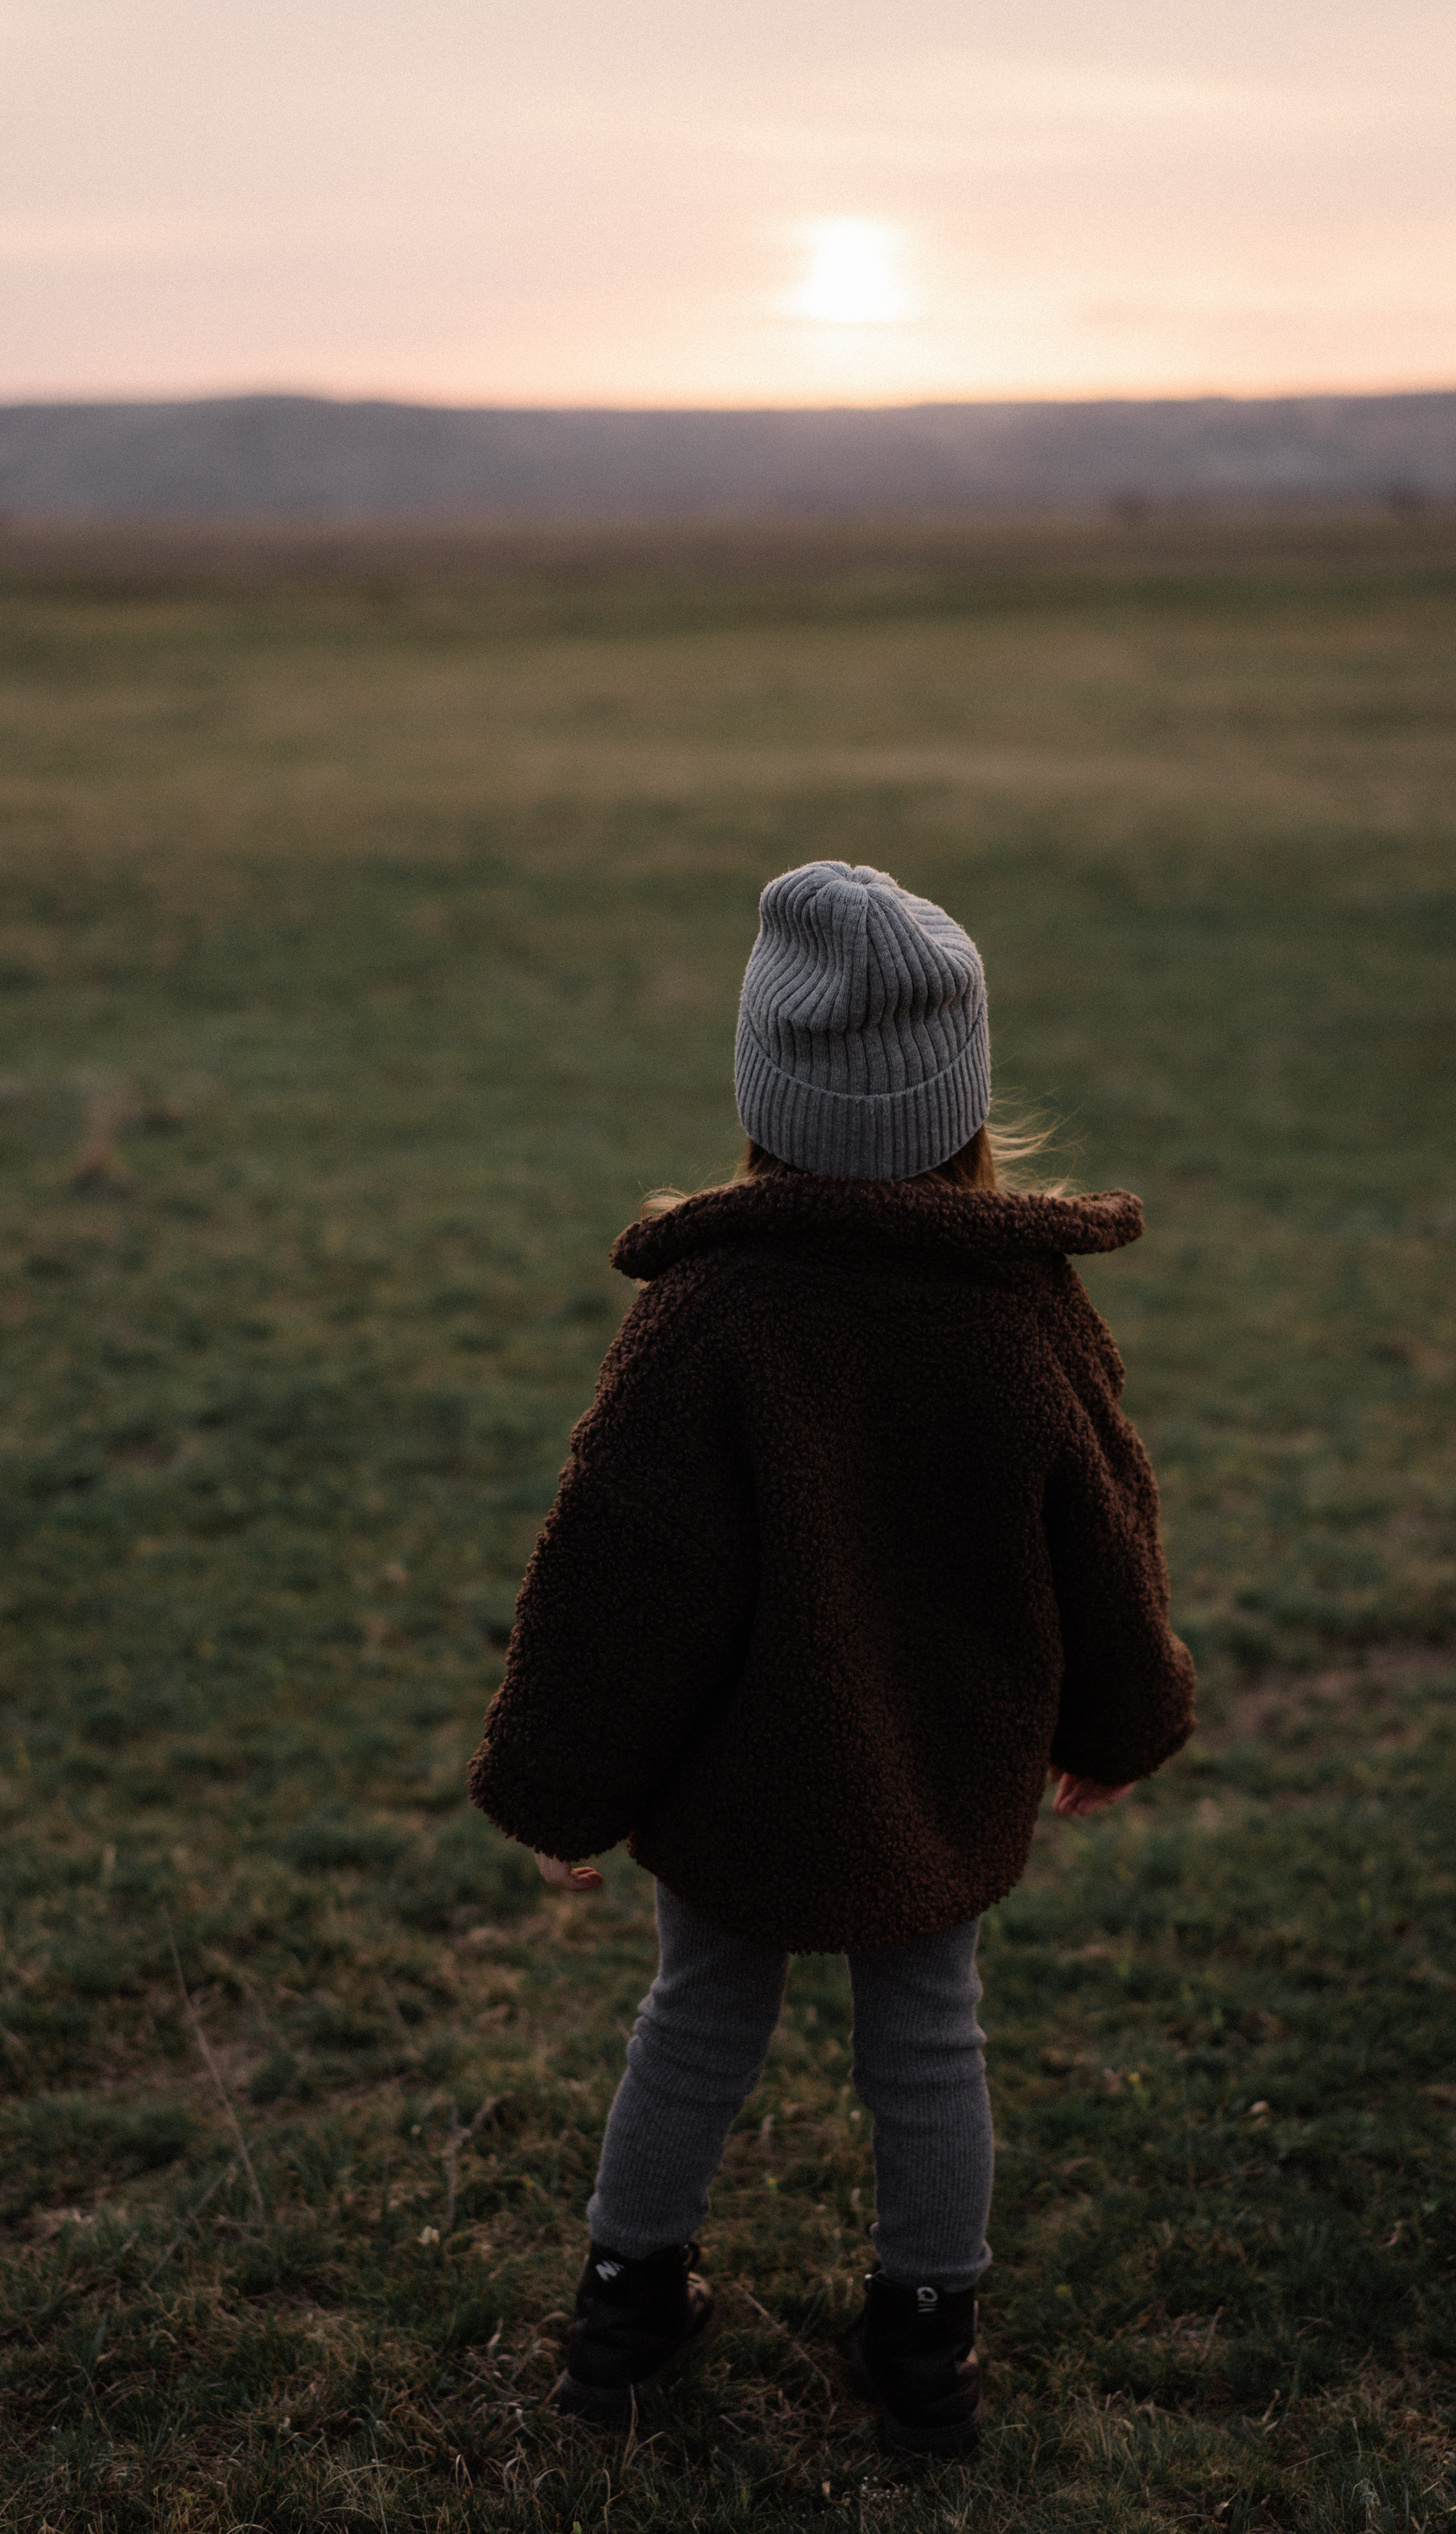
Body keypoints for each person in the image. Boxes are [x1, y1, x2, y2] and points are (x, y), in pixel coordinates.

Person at [468, 860, 1196, 2456]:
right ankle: (927, 2352)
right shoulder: (1018, 1305)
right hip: (945, 1759)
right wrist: (1122, 1715)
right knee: (929, 2043)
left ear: (764, 1090)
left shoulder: (710, 1310)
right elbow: (1112, 1523)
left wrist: (564, 1785)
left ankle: (624, 2317)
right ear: (964, 1099)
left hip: (734, 1779)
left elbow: (616, 1573)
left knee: (696, 2023)